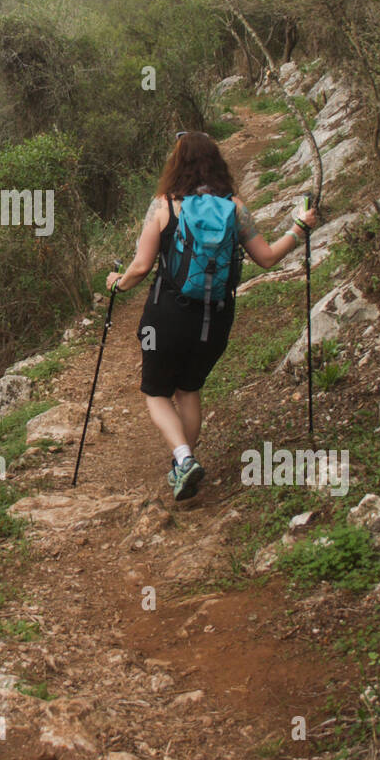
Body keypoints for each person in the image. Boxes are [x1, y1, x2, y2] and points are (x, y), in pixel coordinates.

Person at [106, 130, 319, 502]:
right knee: (189, 390)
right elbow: (267, 258)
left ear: (177, 163)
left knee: (156, 393)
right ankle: (182, 466)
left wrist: (116, 285)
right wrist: (299, 230)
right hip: (214, 320)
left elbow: (140, 268)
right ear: (216, 162)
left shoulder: (164, 206)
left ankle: (184, 458)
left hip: (167, 317)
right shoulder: (234, 208)